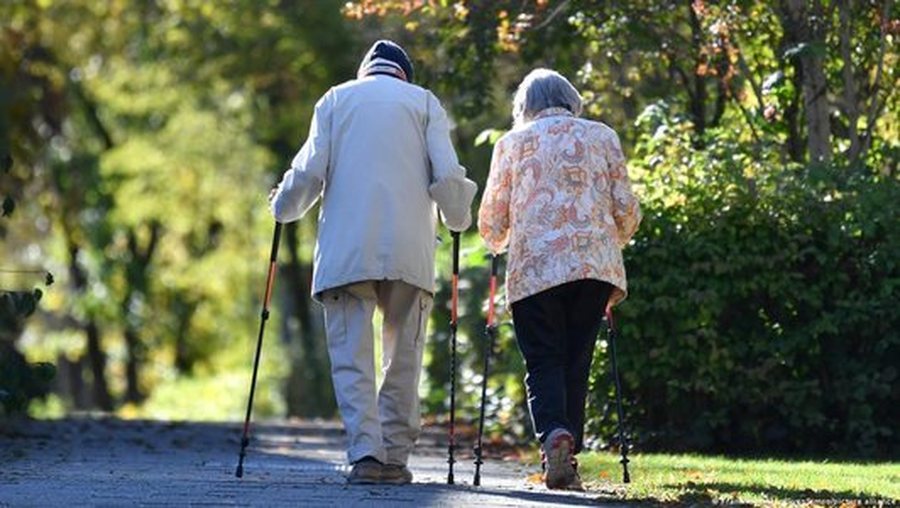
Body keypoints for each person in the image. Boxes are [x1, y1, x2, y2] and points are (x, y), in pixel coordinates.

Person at [269, 40, 477, 485]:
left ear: (366, 72)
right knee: (403, 355)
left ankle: (366, 455)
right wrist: (459, 217)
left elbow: (308, 173)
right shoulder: (423, 103)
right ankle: (396, 458)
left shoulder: (335, 99)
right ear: (405, 74)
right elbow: (446, 175)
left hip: (348, 248)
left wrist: (282, 207)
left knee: (352, 356)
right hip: (409, 247)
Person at [478, 68, 641, 490]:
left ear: (524, 107)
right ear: (571, 99)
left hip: (536, 268)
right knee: (577, 359)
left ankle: (554, 436)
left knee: (544, 358)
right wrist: (610, 239)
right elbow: (626, 208)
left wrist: (498, 242)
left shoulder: (511, 143)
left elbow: (493, 222)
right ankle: (569, 457)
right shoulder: (602, 136)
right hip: (594, 267)